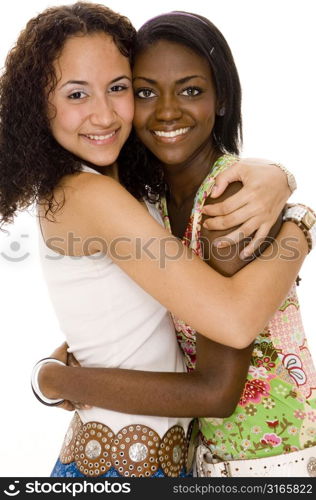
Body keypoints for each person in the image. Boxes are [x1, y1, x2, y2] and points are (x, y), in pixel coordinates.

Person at [0, 3, 312, 477]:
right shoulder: (87, 193)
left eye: (119, 88)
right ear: (39, 104)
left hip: (195, 459)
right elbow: (229, 324)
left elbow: (135, 315)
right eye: (77, 94)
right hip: (120, 464)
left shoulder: (147, 191)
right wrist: (303, 225)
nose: (103, 114)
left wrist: (283, 182)